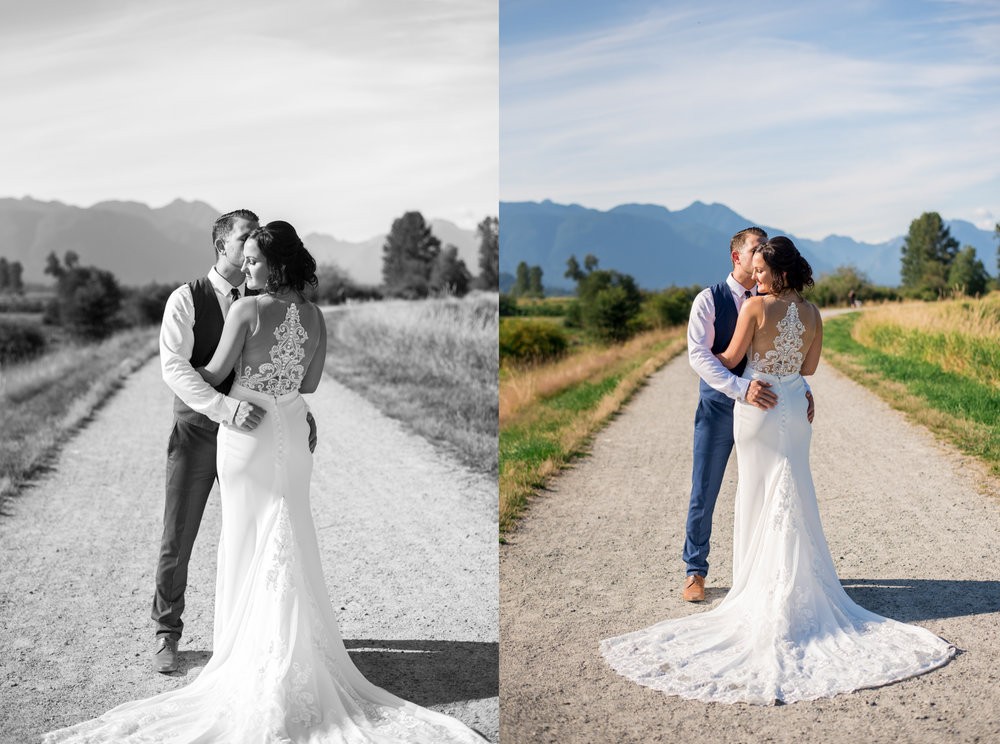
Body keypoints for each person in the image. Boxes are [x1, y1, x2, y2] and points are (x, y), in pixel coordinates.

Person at [44, 222, 488, 742]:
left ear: (274, 265)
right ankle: (292, 648)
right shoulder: (316, 316)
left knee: (245, 539)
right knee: (289, 532)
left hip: (248, 436)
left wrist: (192, 370)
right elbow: (310, 382)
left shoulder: (246, 309)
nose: (247, 267)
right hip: (291, 431)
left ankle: (246, 653)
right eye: (244, 256)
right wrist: (278, 386)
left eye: (254, 260)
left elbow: (211, 374)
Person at [601, 236, 954, 705]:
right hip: (791, 401)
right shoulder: (812, 314)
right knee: (793, 488)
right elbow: (808, 366)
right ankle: (789, 584)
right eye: (755, 269)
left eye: (764, 272)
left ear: (778, 272)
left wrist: (736, 363)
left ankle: (758, 587)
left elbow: (725, 360)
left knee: (758, 493)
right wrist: (793, 383)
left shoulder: (753, 309)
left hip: (759, 405)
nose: (757, 279)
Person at [680, 227, 813, 602]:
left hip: (767, 408)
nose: (762, 257)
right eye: (756, 250)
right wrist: (740, 389)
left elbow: (786, 355)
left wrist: (802, 389)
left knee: (769, 487)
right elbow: (698, 355)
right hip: (721, 405)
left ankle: (770, 572)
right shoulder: (708, 300)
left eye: (766, 252)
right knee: (704, 489)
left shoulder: (771, 299)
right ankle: (695, 571)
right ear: (737, 257)